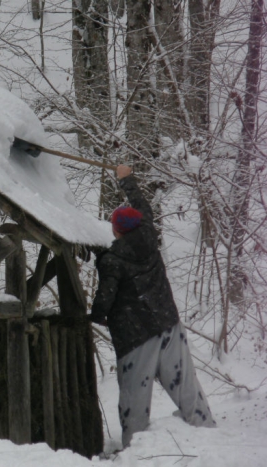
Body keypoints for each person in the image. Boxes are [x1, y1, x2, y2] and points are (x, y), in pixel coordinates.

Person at [89, 164, 216, 448]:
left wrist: (96, 316)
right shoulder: (149, 232)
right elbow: (142, 206)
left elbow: (105, 298)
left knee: (135, 397)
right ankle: (206, 431)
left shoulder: (113, 260)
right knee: (185, 384)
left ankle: (135, 451)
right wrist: (127, 179)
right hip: (169, 323)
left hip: (136, 337)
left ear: (115, 229)